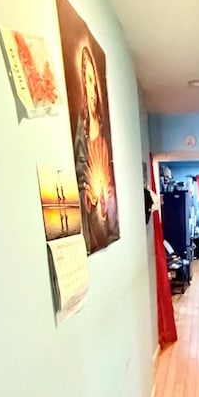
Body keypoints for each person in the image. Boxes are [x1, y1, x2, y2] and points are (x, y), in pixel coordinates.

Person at [74, 46, 119, 253]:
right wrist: (90, 196)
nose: (92, 91)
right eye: (87, 80)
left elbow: (109, 191)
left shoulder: (103, 139)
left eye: (94, 82)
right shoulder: (80, 136)